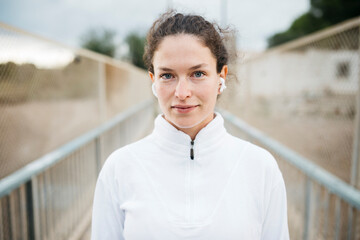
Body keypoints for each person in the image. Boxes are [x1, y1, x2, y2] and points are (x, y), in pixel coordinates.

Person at [91, 11, 289, 240]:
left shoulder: (261, 168)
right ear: (153, 80)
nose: (182, 93)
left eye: (198, 73)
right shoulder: (119, 168)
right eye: (167, 76)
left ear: (220, 77)